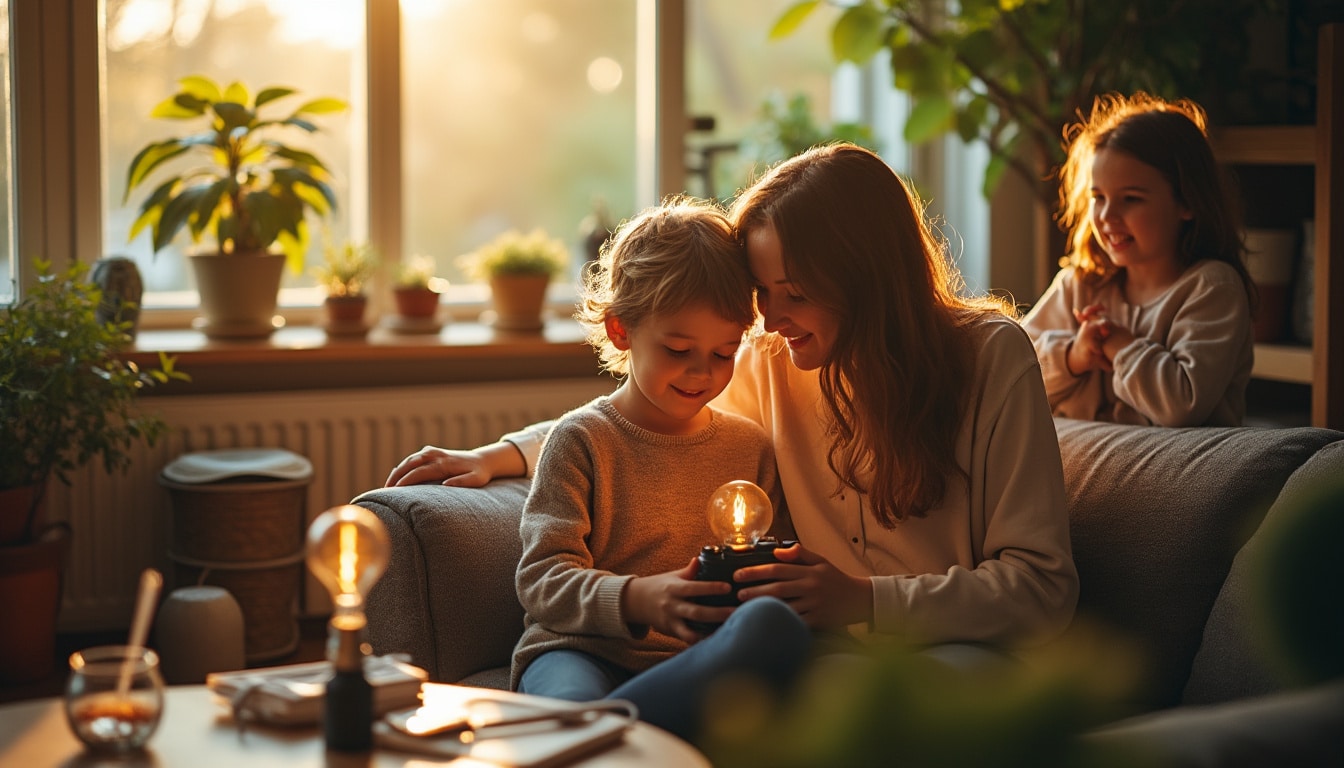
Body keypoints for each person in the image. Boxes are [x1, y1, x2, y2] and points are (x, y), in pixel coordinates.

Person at [387, 143, 1078, 727]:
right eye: (764, 295)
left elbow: (1042, 590)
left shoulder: (992, 357)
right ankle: (600, 742)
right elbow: (639, 418)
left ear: (868, 280)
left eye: (796, 293)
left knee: (844, 697)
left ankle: (583, 741)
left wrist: (866, 600)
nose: (769, 321)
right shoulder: (777, 354)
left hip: (951, 651)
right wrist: (498, 455)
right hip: (815, 651)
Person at [510, 197, 810, 740]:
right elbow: (541, 580)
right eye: (678, 349)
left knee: (774, 627)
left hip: (694, 662)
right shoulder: (582, 440)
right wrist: (638, 597)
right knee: (574, 702)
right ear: (621, 331)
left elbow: (771, 570)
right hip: (581, 653)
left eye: (724, 354)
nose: (703, 374)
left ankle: (605, 738)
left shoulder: (751, 448)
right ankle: (609, 733)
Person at [1021, 92, 1257, 427]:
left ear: (1187, 202)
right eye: (1098, 197)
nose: (1107, 216)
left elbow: (1181, 405)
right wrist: (1073, 356)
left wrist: (1121, 347)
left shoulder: (1212, 287)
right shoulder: (1081, 283)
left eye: (1131, 199)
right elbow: (1014, 374)